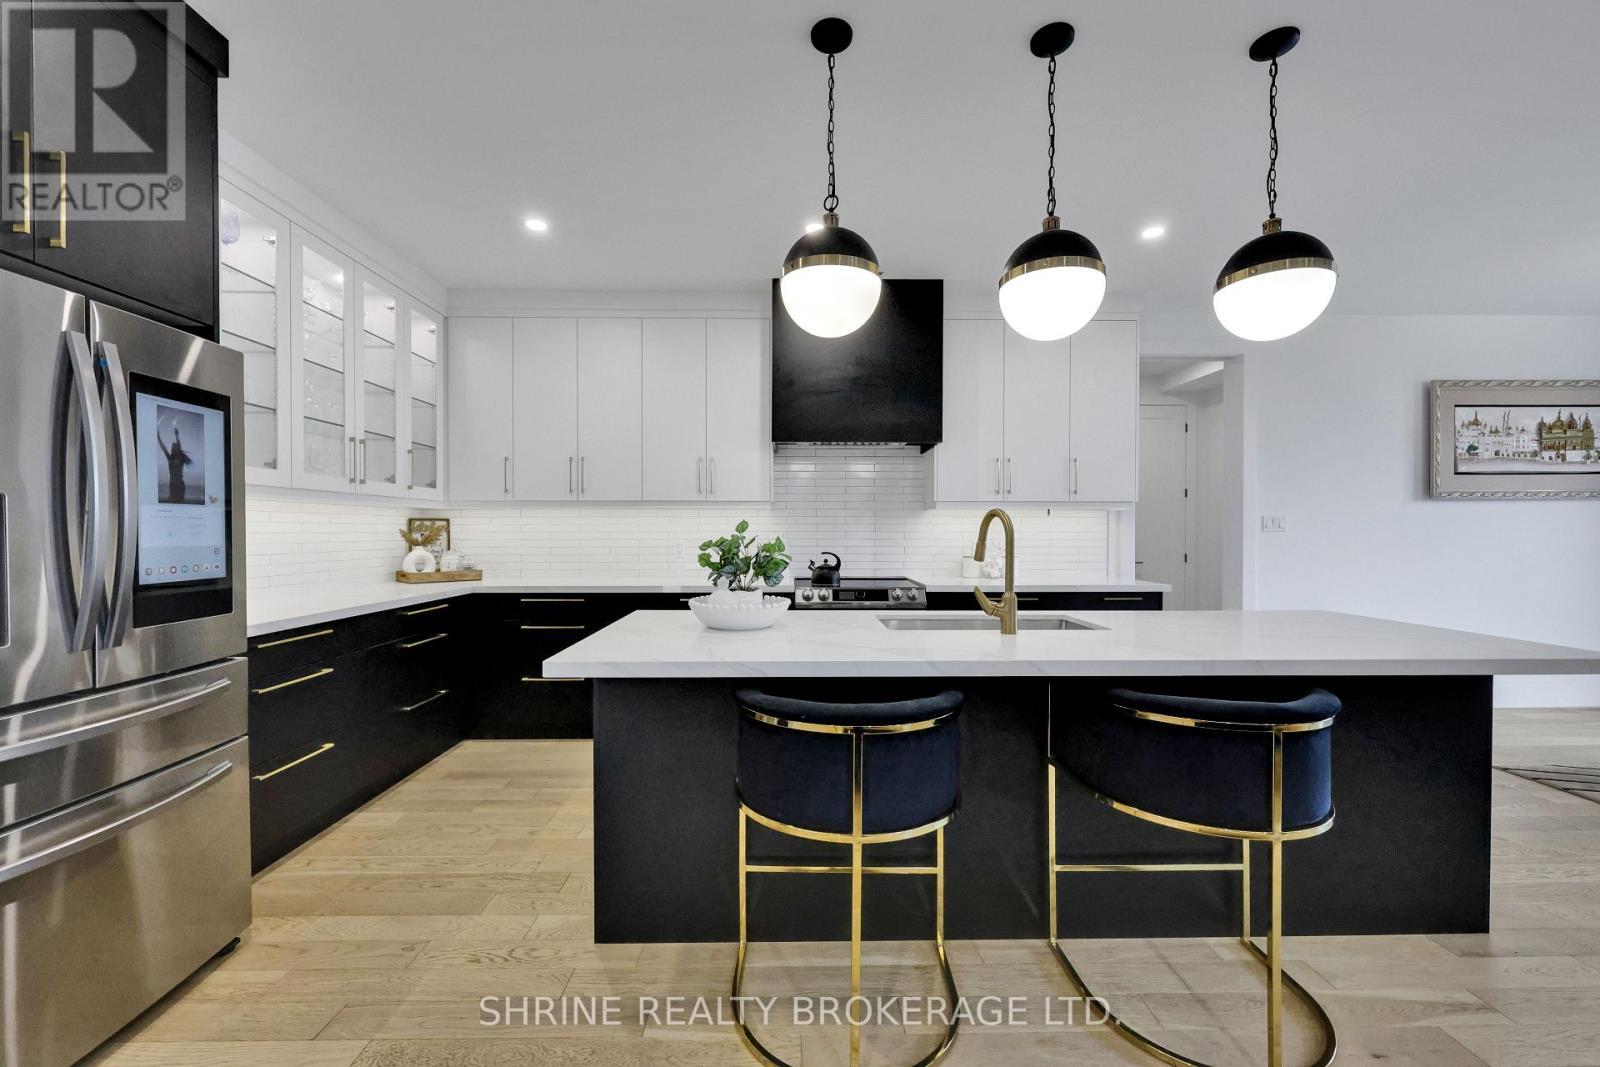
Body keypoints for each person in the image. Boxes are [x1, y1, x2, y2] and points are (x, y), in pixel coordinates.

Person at [158, 424, 194, 504]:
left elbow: (179, 445)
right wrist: (158, 437)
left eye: (174, 446)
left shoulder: (180, 457)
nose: (172, 447)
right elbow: (163, 447)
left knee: (179, 503)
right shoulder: (169, 457)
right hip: (172, 484)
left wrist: (177, 435)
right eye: (172, 447)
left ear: (177, 448)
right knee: (173, 503)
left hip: (180, 485)